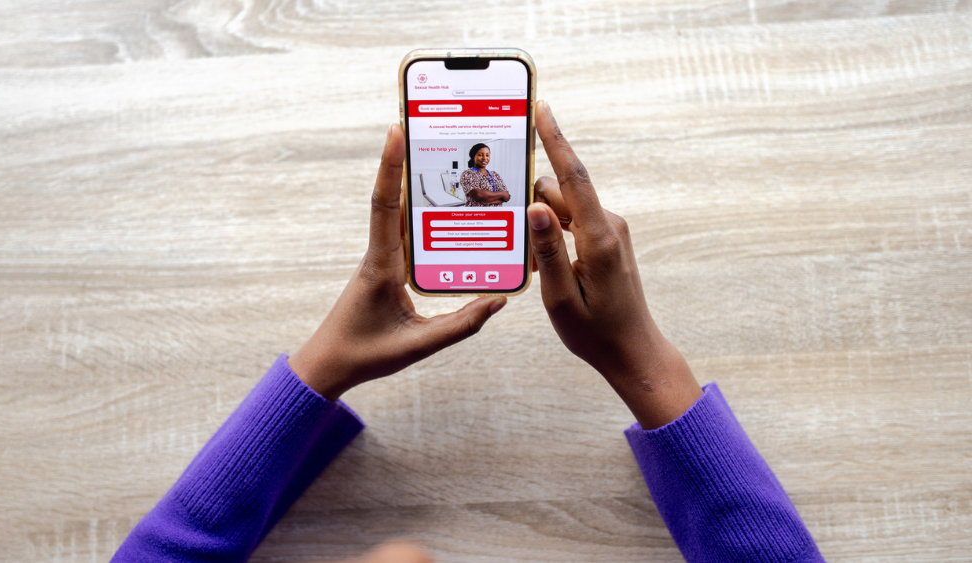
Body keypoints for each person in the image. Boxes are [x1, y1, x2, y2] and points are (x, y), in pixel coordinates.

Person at [111, 101, 825, 563]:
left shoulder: (484, 182)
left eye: (486, 158)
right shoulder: (475, 182)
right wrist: (645, 367)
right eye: (482, 159)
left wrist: (319, 370)